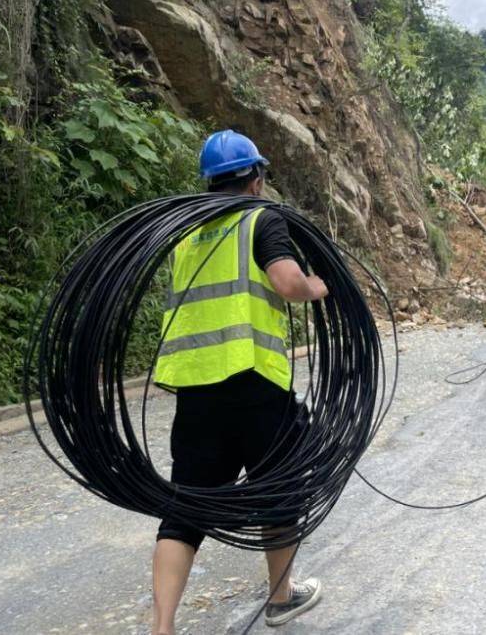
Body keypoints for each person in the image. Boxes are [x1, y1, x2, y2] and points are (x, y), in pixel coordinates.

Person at [152, 130, 328, 634]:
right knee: (280, 487)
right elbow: (287, 282)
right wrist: (316, 286)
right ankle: (281, 598)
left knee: (186, 508)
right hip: (254, 381)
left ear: (209, 182)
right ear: (256, 180)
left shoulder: (186, 234)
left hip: (197, 388)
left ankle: (161, 627)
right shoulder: (260, 219)